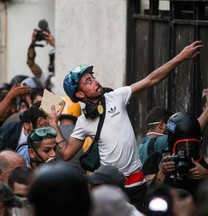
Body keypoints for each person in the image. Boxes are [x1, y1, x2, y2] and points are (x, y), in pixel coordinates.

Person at [49, 41, 203, 211]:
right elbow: (66, 153)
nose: (96, 81)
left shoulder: (116, 96)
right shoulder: (83, 121)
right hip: (111, 185)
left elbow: (152, 79)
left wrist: (181, 57)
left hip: (137, 182)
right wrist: (53, 125)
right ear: (79, 94)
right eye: (88, 81)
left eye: (93, 77)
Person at [153, 112, 208, 198]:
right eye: (182, 147)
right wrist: (163, 172)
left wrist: (205, 174)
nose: (187, 151)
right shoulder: (158, 159)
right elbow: (150, 193)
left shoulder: (201, 166)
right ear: (172, 144)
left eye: (192, 146)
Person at [27, 26, 55, 90]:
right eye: (51, 58)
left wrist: (55, 44)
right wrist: (32, 44)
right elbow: (31, 64)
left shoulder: (67, 75)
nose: (52, 62)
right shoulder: (47, 77)